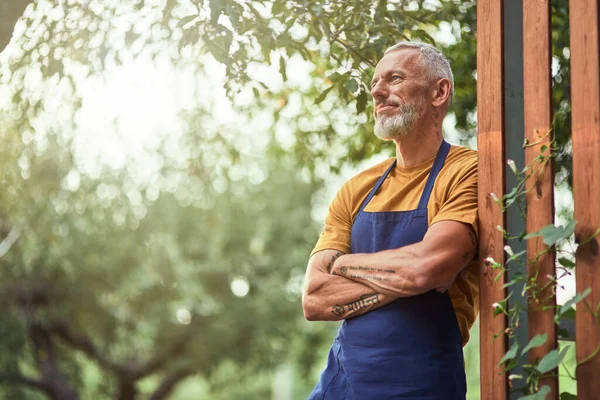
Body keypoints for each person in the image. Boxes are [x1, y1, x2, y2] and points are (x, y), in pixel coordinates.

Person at [302, 41, 479, 400]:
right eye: (374, 85)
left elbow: (425, 269)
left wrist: (344, 264)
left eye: (394, 78)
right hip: (342, 383)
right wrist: (412, 276)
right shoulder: (357, 188)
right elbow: (315, 299)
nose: (379, 91)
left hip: (423, 384)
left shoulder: (466, 171)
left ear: (439, 92)